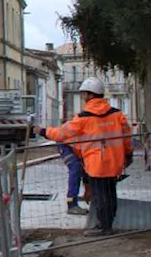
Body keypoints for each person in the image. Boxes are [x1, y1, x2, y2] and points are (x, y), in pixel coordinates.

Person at [44, 78, 132, 237]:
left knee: (100, 196)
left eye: (84, 93)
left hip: (96, 165)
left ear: (90, 95)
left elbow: (61, 133)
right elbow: (127, 138)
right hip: (114, 163)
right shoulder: (117, 115)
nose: (83, 96)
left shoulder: (84, 117)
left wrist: (42, 131)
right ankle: (108, 223)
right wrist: (128, 154)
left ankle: (103, 227)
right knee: (111, 193)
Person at [56, 141, 88, 215]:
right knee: (75, 168)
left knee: (85, 165)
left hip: (78, 144)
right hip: (67, 144)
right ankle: (72, 204)